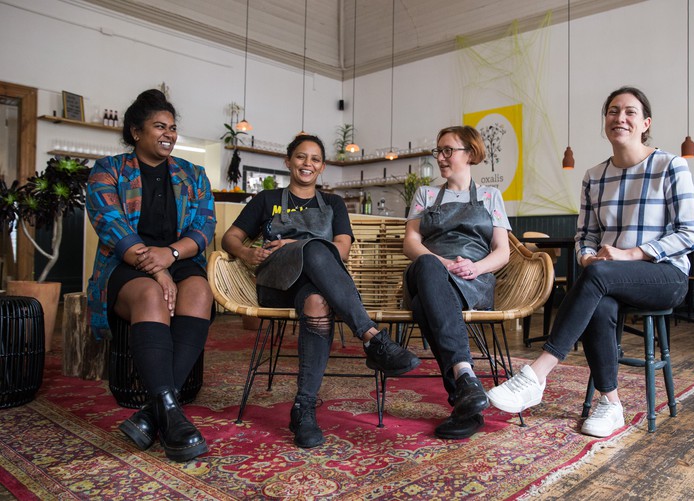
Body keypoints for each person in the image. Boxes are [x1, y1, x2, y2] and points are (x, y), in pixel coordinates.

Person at [487, 86, 694, 437]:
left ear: (645, 122)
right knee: (600, 301)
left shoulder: (670, 165)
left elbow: (691, 233)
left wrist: (632, 253)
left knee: (600, 278)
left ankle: (536, 375)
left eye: (630, 112)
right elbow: (585, 235)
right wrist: (587, 255)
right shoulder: (594, 176)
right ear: (605, 121)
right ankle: (611, 404)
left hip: (665, 276)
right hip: (609, 276)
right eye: (613, 111)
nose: (620, 118)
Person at [221, 133, 420, 448]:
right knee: (314, 250)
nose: (307, 164)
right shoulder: (266, 200)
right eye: (301, 157)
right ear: (288, 161)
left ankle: (303, 408)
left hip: (315, 284)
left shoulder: (333, 203)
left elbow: (341, 249)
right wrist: (247, 254)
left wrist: (301, 245)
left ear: (322, 166)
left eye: (314, 159)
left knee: (316, 296)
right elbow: (230, 237)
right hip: (277, 282)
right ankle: (372, 338)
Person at [86, 89, 215, 462]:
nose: (169, 134)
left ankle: (154, 412)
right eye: (160, 126)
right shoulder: (107, 171)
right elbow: (111, 225)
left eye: (173, 128)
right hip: (126, 263)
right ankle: (172, 415)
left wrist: (171, 255)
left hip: (178, 258)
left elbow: (205, 227)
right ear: (136, 131)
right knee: (150, 296)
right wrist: (159, 271)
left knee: (201, 294)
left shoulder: (193, 174)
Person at [402, 125, 511, 439]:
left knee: (427, 304)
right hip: (428, 271)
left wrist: (475, 268)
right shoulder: (425, 194)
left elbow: (501, 252)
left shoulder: (490, 196)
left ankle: (465, 396)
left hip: (471, 282)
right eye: (439, 150)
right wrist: (445, 263)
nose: (440, 157)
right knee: (425, 265)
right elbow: (411, 243)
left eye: (448, 150)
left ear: (471, 154)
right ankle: (466, 376)